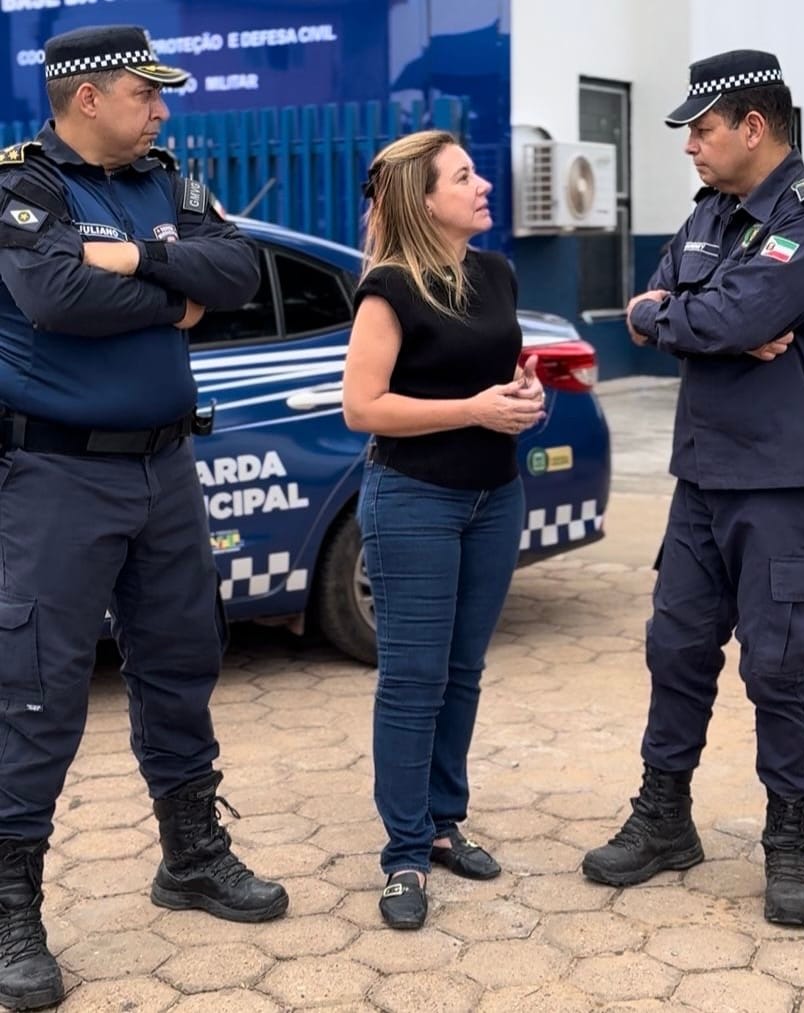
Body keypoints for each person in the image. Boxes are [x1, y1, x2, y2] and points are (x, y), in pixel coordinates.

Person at [0, 25, 288, 1009]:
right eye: (145, 95)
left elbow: (239, 272)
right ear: (87, 98)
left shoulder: (163, 179)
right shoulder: (23, 188)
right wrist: (173, 296)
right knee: (36, 688)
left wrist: (139, 253)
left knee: (179, 663)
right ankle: (12, 909)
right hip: (56, 476)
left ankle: (192, 855)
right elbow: (53, 293)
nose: (162, 110)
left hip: (167, 470)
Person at [581, 49, 804, 928]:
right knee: (676, 651)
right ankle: (663, 817)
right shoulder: (711, 215)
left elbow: (731, 315)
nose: (689, 148)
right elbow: (661, 309)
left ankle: (790, 842)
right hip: (700, 474)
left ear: (753, 127)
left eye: (701, 130)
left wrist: (694, 318)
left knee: (777, 665)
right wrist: (674, 316)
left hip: (783, 478)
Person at [342, 130, 544, 930]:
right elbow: (363, 406)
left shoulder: (494, 272)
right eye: (464, 176)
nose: (484, 184)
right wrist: (474, 410)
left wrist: (524, 398)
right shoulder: (389, 288)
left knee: (461, 670)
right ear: (423, 201)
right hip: (414, 498)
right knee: (412, 678)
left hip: (494, 494)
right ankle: (402, 851)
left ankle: (443, 821)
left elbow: (501, 377)